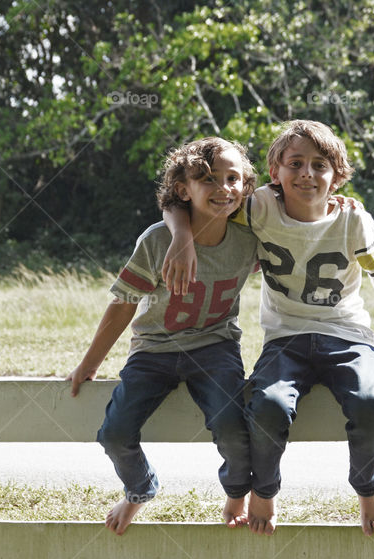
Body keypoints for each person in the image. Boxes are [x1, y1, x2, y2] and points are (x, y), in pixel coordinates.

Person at [162, 120, 374, 537]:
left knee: (372, 403)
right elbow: (182, 199)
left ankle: (368, 488)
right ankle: (263, 491)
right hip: (285, 339)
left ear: (337, 174)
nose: (307, 173)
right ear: (274, 173)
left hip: (347, 337)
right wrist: (181, 236)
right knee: (268, 407)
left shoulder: (355, 221)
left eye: (320, 165)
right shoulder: (259, 207)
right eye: (295, 163)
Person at [67, 136, 260, 535]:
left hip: (216, 347)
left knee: (232, 425)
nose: (222, 188)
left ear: (245, 187)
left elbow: (298, 211)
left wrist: (336, 205)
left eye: (232, 179)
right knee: (115, 432)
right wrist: (90, 363)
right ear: (183, 190)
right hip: (154, 350)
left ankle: (236, 492)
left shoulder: (251, 239)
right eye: (207, 179)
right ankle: (139, 488)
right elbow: (123, 303)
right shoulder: (157, 240)